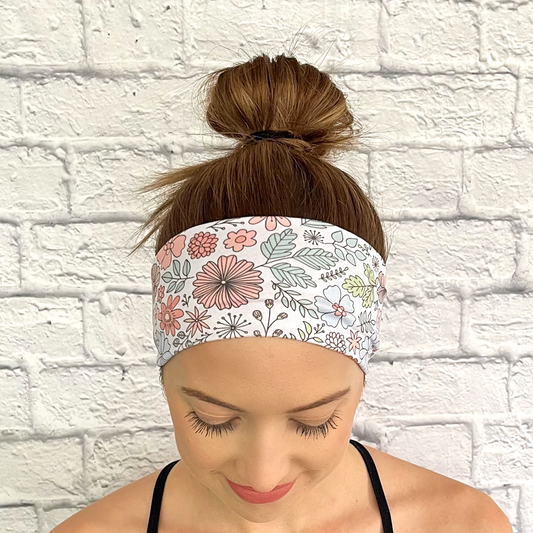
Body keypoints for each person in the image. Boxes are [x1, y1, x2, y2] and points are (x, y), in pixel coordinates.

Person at [51, 53, 512, 533]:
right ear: (166, 378)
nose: (262, 474)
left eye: (316, 422)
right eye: (212, 419)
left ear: (360, 383)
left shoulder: (461, 525)